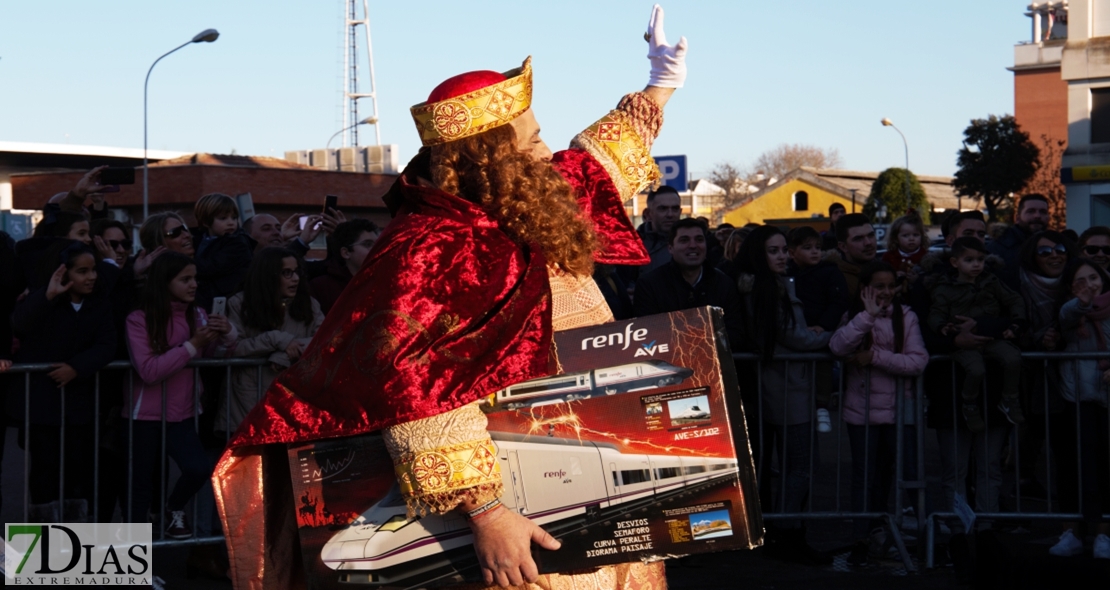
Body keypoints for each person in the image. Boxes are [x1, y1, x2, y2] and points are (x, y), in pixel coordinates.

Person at [215, 6, 688, 588]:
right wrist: (488, 514)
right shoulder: (430, 248)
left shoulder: (530, 200)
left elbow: (593, 162)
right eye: (533, 140)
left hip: (590, 468)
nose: (547, 153)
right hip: (515, 502)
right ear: (493, 157)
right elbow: (418, 387)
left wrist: (658, 86)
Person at [735, 225, 831, 566]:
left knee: (791, 465)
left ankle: (783, 531)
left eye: (782, 250)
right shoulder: (765, 289)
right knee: (801, 465)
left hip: (780, 386)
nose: (783, 257)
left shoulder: (762, 286)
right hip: (786, 388)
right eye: (773, 251)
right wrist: (836, 337)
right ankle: (788, 532)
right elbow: (793, 338)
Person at [121, 252, 235, 539]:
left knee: (197, 469)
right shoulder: (138, 318)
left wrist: (226, 335)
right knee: (139, 490)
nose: (194, 284)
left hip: (182, 412)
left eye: (194, 278)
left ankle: (174, 508)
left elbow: (209, 356)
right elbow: (148, 370)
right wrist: (193, 344)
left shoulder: (197, 313)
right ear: (164, 281)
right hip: (142, 416)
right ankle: (135, 571)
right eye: (185, 279)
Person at [8, 242, 117, 522]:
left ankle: (74, 546)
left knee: (77, 473)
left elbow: (107, 345)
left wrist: (76, 368)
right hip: (43, 407)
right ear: (63, 272)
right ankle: (43, 547)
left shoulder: (99, 305)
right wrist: (46, 295)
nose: (91, 276)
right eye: (82, 271)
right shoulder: (44, 301)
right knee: (44, 473)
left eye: (93, 270)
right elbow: (18, 324)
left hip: (80, 406)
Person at [829, 261, 928, 567]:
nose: (886, 292)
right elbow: (838, 346)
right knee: (864, 477)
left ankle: (923, 537)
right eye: (879, 286)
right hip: (862, 413)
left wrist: (875, 357)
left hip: (900, 412)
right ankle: (863, 535)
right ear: (865, 289)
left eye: (890, 286)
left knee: (908, 474)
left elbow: (918, 361)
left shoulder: (906, 317)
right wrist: (868, 316)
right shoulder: (855, 317)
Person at [217, 248, 324, 437]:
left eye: (297, 271)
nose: (295, 278)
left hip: (293, 397)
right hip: (249, 398)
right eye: (286, 273)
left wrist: (284, 353)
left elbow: (325, 340)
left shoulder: (309, 304)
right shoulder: (240, 303)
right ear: (268, 275)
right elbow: (231, 348)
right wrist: (275, 339)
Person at [928, 237, 1026, 431]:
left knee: (1013, 358)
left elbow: (1014, 299)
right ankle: (969, 404)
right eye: (969, 260)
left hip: (990, 337)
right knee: (976, 369)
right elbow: (935, 313)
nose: (976, 265)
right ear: (955, 262)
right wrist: (942, 327)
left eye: (980, 260)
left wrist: (1017, 322)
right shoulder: (944, 288)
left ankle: (1009, 398)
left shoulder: (991, 281)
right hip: (963, 340)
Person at [1050, 258, 1110, 559]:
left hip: (1106, 398)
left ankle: (1103, 534)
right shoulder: (1071, 310)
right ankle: (1070, 531)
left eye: (1094, 278)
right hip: (1077, 397)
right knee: (1074, 467)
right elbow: (1067, 316)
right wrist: (1082, 302)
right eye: (1081, 280)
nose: (1090, 285)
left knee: (1105, 468)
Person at [632, 217, 744, 344]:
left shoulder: (724, 284)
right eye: (684, 240)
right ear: (670, 248)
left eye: (699, 239)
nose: (693, 245)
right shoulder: (649, 284)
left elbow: (734, 332)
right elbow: (647, 333)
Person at [786, 225, 848, 433]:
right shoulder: (786, 274)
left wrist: (824, 325)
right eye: (808, 247)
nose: (815, 252)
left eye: (818, 247)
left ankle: (822, 404)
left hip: (821, 330)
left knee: (822, 367)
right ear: (792, 252)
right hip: (797, 330)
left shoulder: (829, 272)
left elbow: (838, 302)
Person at [190, 193, 254, 312]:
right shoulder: (199, 240)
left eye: (234, 217)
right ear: (205, 222)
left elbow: (212, 267)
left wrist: (186, 262)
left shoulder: (237, 243)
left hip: (227, 301)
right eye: (223, 218)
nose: (231, 222)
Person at [309, 218, 380, 315]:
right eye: (367, 244)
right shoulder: (321, 287)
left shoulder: (385, 282)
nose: (376, 249)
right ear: (346, 253)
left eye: (378, 244)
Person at [988, 194, 1050, 291]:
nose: (1037, 216)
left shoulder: (1055, 247)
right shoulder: (997, 248)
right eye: (1031, 211)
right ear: (1017, 218)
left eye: (1043, 212)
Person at [825, 213, 877, 297]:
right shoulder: (834, 280)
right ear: (843, 246)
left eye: (871, 235)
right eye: (858, 239)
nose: (868, 243)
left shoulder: (885, 270)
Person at [636, 185, 682, 273]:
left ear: (680, 212)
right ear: (648, 214)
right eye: (663, 209)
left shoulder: (695, 243)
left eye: (675, 209)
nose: (670, 214)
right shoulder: (631, 247)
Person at [881, 212, 928, 286]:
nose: (911, 239)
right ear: (896, 238)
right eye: (905, 235)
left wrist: (918, 279)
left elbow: (932, 279)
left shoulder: (927, 257)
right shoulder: (889, 257)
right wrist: (893, 276)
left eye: (915, 235)